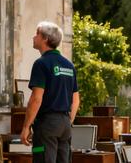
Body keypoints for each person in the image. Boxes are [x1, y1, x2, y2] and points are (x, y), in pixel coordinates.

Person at [21, 21, 80, 163]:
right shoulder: (69, 66)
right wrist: (68, 121)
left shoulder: (41, 63)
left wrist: (26, 127)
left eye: (37, 34)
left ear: (45, 39)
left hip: (47, 125)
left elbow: (36, 99)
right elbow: (76, 100)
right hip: (65, 125)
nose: (33, 37)